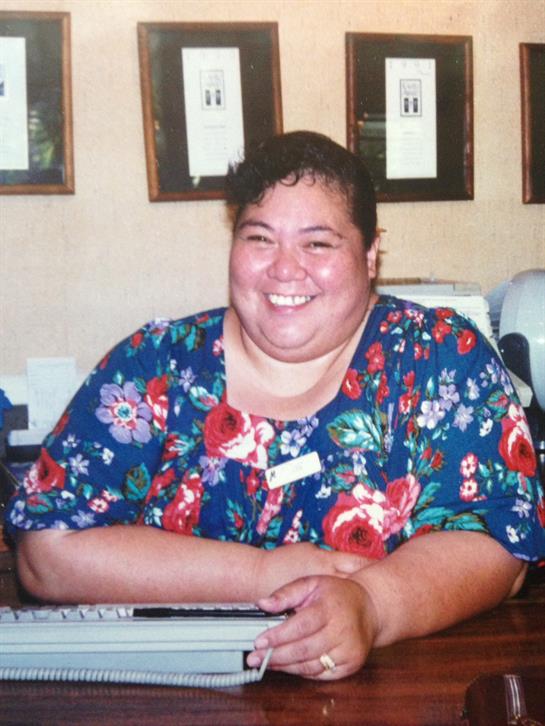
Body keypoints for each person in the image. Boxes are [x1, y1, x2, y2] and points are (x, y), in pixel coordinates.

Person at [6, 131, 545, 681]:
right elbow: (47, 551)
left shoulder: (438, 357)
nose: (285, 269)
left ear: (370, 251)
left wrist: (372, 606)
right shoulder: (156, 366)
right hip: (178, 699)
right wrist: (263, 574)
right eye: (260, 238)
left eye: (318, 243)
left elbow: (497, 542)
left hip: (392, 692)